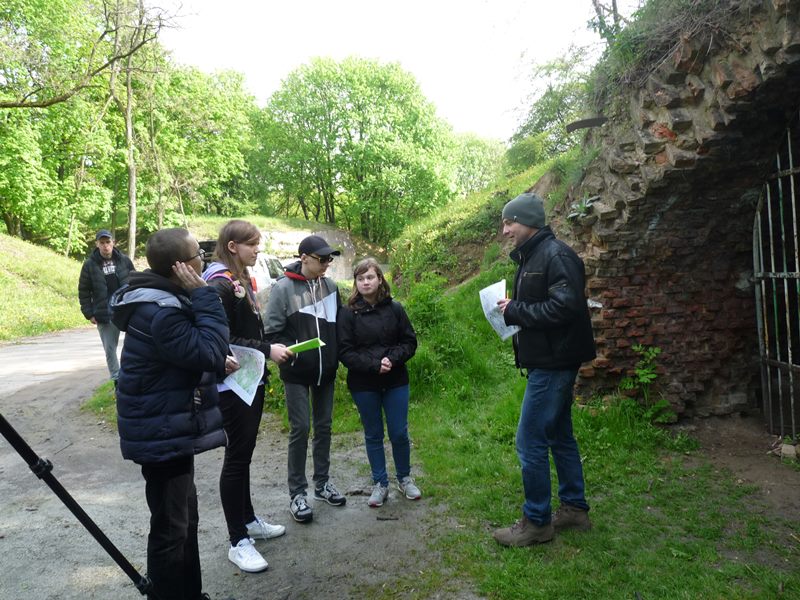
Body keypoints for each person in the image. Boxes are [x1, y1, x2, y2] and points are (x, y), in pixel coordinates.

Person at [110, 228, 229, 599]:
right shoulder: (161, 310)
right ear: (182, 266)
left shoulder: (163, 299)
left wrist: (212, 356)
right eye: (198, 255)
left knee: (185, 519)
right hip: (160, 431)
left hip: (168, 425)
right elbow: (209, 350)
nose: (203, 260)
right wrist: (205, 295)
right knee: (171, 529)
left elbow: (194, 353)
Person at [492, 192, 596, 547]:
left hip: (555, 363)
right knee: (559, 435)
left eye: (509, 223)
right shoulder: (533, 255)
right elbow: (547, 305)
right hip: (549, 359)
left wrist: (515, 310)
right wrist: (513, 308)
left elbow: (565, 309)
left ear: (528, 222)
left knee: (530, 439)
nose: (505, 230)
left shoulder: (556, 255)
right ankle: (574, 509)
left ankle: (537, 522)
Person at [202, 220, 293, 573]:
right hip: (232, 386)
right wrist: (268, 349)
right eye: (252, 244)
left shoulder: (238, 279)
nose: (258, 250)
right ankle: (237, 540)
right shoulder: (220, 284)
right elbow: (220, 339)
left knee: (244, 455)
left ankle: (249, 520)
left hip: (249, 381)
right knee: (236, 459)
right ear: (232, 246)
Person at [264, 234, 346, 523]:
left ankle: (322, 484)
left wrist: (337, 356)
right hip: (296, 371)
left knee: (324, 427)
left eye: (329, 259)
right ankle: (297, 494)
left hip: (326, 371)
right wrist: (292, 352)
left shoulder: (331, 286)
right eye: (322, 259)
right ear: (304, 258)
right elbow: (272, 332)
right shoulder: (282, 288)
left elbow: (339, 325)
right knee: (300, 428)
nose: (326, 264)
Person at [337, 258, 420, 508]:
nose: (365, 282)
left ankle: (404, 478)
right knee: (373, 433)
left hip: (395, 380)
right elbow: (345, 352)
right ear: (355, 283)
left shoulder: (395, 309)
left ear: (380, 279)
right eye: (360, 278)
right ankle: (380, 483)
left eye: (370, 277)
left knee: (398, 432)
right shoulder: (347, 314)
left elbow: (409, 342)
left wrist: (391, 360)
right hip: (364, 383)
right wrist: (374, 365)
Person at [78, 229, 134, 386]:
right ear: (97, 244)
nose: (105, 246)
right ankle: (117, 380)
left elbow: (135, 281)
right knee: (110, 349)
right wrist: (89, 313)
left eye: (108, 242)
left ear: (113, 243)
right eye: (102, 243)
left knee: (134, 344)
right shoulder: (89, 265)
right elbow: (83, 291)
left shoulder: (124, 260)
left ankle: (133, 376)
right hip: (105, 313)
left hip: (126, 309)